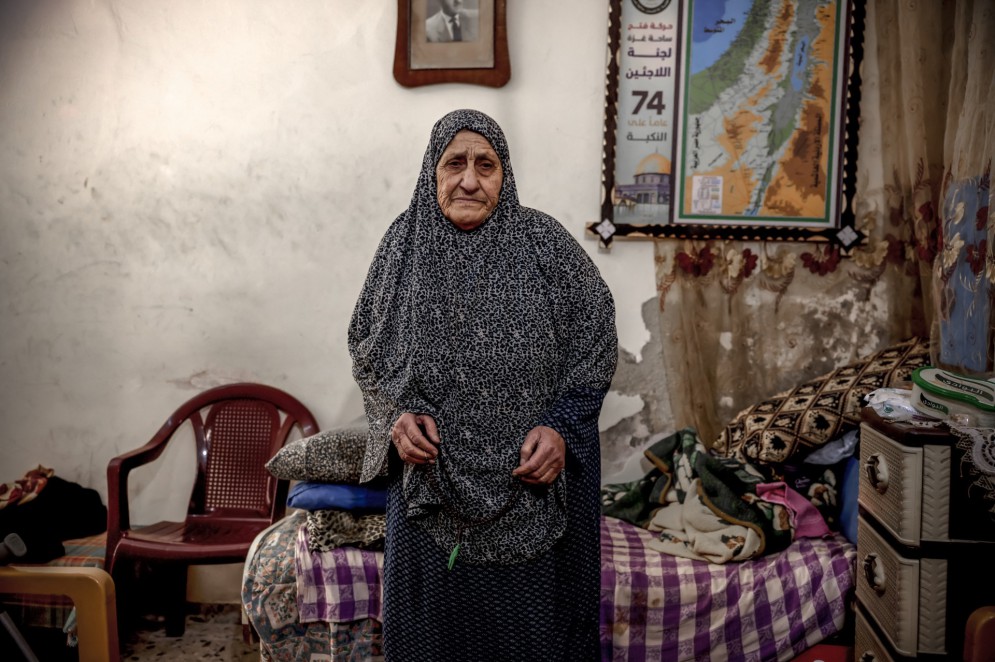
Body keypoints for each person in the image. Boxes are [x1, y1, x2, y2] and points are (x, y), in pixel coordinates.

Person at [348, 108, 618, 661]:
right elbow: (366, 348)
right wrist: (395, 415)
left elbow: (596, 342)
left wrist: (563, 427)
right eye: (455, 163)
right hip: (429, 498)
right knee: (432, 644)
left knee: (532, 643)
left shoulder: (544, 245)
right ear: (432, 171)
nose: (470, 180)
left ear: (505, 175)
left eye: (486, 165)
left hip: (531, 495)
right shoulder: (403, 246)